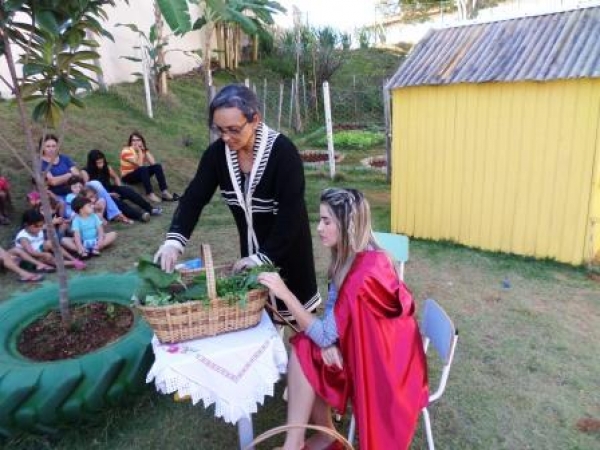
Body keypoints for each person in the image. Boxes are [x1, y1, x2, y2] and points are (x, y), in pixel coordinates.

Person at [257, 188, 429, 450]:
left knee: (307, 348)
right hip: (369, 349)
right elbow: (333, 321)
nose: (318, 228)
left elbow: (327, 332)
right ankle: (315, 437)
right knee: (307, 346)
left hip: (386, 368)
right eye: (320, 220)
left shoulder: (365, 273)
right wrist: (329, 343)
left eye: (326, 221)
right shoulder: (349, 256)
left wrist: (284, 293)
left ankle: (299, 443)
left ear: (348, 224)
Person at [154, 84, 321, 322]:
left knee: (299, 330)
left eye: (233, 129)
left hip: (289, 251)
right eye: (219, 129)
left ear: (255, 120)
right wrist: (173, 241)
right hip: (249, 254)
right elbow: (193, 198)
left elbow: (290, 214)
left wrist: (262, 258)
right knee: (262, 322)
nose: (225, 137)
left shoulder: (283, 153)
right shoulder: (216, 155)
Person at [39, 134, 128, 223]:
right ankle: (96, 217)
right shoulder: (40, 163)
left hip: (76, 189)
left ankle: (115, 214)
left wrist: (64, 178)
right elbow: (53, 182)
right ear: (42, 147)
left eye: (54, 146)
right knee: (69, 212)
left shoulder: (64, 158)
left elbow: (77, 174)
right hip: (59, 195)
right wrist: (68, 175)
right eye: (48, 146)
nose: (51, 149)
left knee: (95, 183)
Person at [83, 149, 161, 222]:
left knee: (128, 191)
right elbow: (87, 192)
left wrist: (119, 187)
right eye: (98, 163)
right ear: (92, 163)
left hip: (110, 188)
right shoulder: (85, 172)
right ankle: (140, 216)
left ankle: (150, 209)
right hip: (100, 196)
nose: (101, 165)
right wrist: (108, 195)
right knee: (117, 202)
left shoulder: (106, 167)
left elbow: (116, 177)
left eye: (102, 162)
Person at [15, 209, 86, 270]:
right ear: (26, 225)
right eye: (37, 226)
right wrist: (44, 254)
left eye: (41, 226)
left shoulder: (38, 229)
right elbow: (31, 252)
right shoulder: (23, 237)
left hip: (40, 251)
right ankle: (72, 263)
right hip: (30, 259)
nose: (40, 228)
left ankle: (72, 259)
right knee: (48, 257)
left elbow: (47, 229)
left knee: (50, 243)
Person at [120, 131, 176, 203]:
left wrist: (145, 150)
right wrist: (140, 151)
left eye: (138, 140)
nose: (136, 142)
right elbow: (139, 165)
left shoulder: (143, 150)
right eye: (133, 140)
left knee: (157, 166)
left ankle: (164, 191)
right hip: (128, 177)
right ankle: (150, 194)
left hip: (139, 174)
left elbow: (153, 163)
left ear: (142, 141)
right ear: (130, 142)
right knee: (143, 168)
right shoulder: (126, 151)